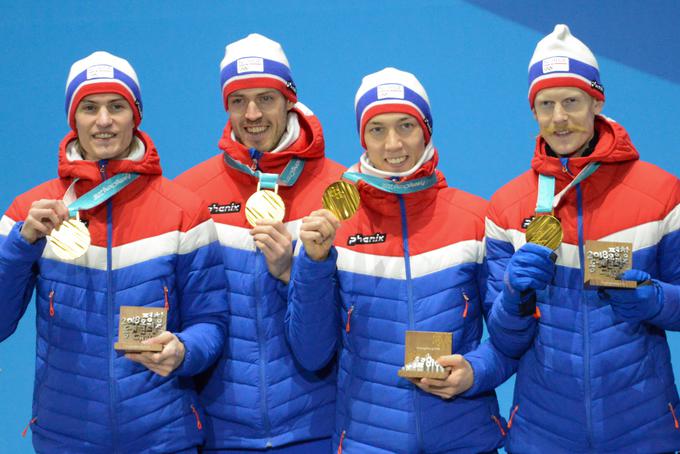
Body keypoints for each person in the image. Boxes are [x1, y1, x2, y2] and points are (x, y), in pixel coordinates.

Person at [0, 51, 229, 452]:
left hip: (164, 436)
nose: (103, 121)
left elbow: (211, 323)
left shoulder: (183, 211)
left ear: (135, 115)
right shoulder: (28, 211)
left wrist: (185, 350)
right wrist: (20, 247)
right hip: (66, 438)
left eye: (116, 106)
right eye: (89, 107)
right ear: (74, 118)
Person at [286, 67, 516, 453]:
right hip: (367, 442)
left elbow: (511, 337)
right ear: (362, 138)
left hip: (465, 438)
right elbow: (311, 353)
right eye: (377, 129)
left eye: (406, 125)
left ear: (426, 129)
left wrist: (476, 372)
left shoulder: (475, 219)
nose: (393, 144)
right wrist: (312, 264)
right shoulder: (329, 226)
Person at [485, 24, 680, 452]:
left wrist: (655, 300)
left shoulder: (663, 193)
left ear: (597, 101)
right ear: (533, 112)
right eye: (545, 104)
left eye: (571, 101)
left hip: (643, 428)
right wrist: (515, 294)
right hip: (543, 434)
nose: (559, 118)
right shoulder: (505, 208)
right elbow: (504, 338)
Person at [175, 33, 344, 452]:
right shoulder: (189, 194)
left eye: (266, 98)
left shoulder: (342, 190)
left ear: (290, 100)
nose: (252, 114)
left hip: (316, 428)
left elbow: (360, 316)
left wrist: (295, 273)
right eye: (238, 101)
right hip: (220, 432)